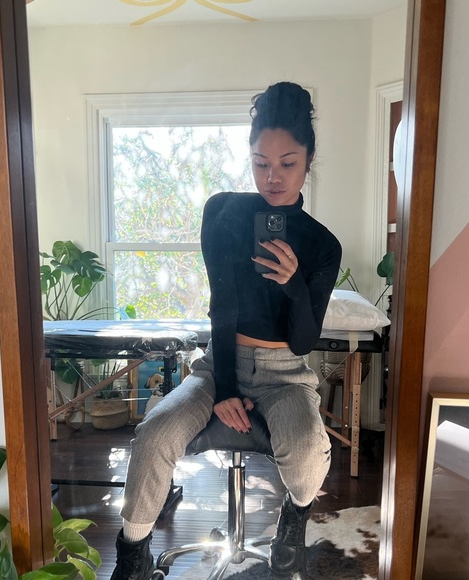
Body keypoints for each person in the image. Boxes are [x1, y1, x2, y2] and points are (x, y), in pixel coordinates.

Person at [111, 81, 342, 580]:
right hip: (219, 365)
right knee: (154, 434)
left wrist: (294, 285)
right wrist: (225, 390)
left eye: (287, 163)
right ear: (249, 156)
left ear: (308, 160)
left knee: (307, 454)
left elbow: (304, 341)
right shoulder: (223, 213)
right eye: (260, 162)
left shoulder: (323, 245)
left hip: (285, 374)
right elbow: (224, 307)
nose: (272, 176)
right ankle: (133, 559)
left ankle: (293, 516)